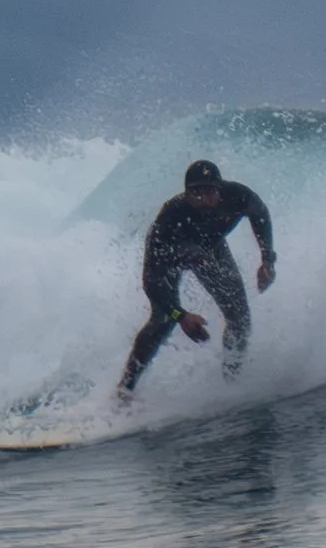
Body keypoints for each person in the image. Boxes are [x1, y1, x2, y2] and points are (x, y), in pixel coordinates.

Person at [117, 159, 277, 398]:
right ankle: (124, 390)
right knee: (163, 320)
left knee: (240, 318)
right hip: (171, 255)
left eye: (209, 191)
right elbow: (152, 284)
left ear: (219, 189)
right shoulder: (170, 218)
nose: (203, 199)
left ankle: (232, 384)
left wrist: (267, 259)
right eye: (195, 193)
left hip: (211, 249)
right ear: (186, 193)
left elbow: (260, 214)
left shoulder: (238, 196)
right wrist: (180, 315)